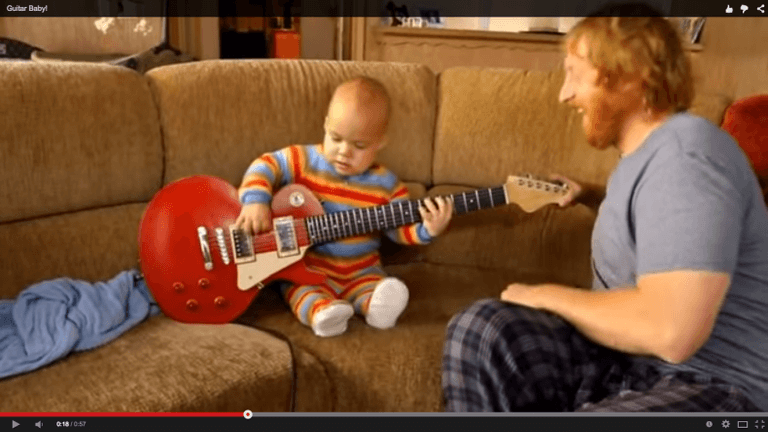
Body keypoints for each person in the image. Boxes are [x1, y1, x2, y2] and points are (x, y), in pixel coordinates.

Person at [442, 5, 768, 411]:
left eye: (574, 74)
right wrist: (593, 195)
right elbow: (663, 223)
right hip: (628, 365)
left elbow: (672, 330)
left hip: (717, 385)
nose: (564, 94)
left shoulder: (688, 156)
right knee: (484, 331)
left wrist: (546, 295)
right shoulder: (650, 159)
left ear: (627, 75)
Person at [235, 76, 453, 337]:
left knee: (376, 288)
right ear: (325, 125)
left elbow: (399, 230)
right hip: (309, 269)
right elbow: (265, 165)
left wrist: (427, 229)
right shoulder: (303, 160)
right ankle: (324, 314)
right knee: (301, 293)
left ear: (380, 142)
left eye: (359, 146)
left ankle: (376, 308)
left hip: (362, 272)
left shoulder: (388, 186)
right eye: (335, 138)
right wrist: (256, 201)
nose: (343, 152)